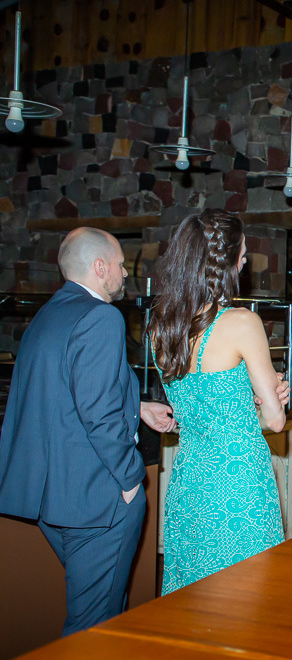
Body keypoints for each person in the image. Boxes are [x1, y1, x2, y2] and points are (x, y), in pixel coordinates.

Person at [0, 227, 177, 635]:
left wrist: (137, 406)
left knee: (98, 609)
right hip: (95, 501)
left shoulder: (49, 313)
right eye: (119, 265)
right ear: (99, 267)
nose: (124, 273)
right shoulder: (102, 316)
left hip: (52, 499)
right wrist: (131, 481)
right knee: (95, 625)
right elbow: (99, 415)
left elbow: (62, 388)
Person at [148, 211, 288, 594]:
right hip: (239, 482)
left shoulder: (161, 327)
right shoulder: (242, 322)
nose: (243, 265)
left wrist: (248, 398)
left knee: (194, 596)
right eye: (241, 256)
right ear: (224, 263)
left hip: (189, 481)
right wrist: (267, 399)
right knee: (246, 594)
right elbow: (275, 421)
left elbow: (198, 409)